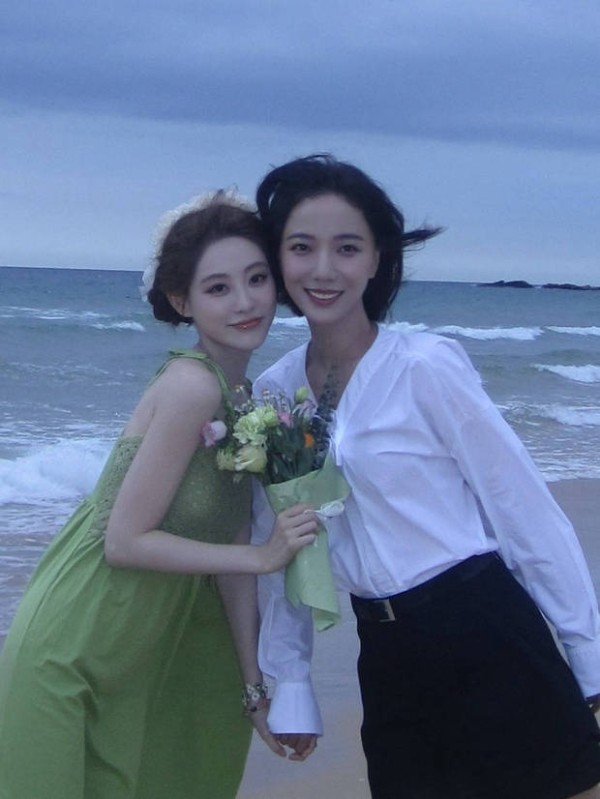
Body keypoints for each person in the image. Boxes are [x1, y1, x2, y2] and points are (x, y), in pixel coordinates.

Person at [250, 154, 600, 799]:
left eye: (347, 248)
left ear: (376, 259)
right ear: (278, 257)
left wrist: (588, 653)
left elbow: (521, 508)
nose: (323, 269)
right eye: (301, 247)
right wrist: (291, 682)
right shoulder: (274, 393)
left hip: (485, 630)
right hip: (384, 656)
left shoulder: (424, 366)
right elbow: (285, 547)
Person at [0, 191, 319, 799]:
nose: (246, 301)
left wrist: (254, 688)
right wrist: (261, 555)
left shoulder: (243, 397)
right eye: (218, 288)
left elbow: (230, 539)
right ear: (182, 301)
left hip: (154, 646)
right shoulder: (191, 387)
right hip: (80, 641)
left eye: (257, 279)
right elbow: (123, 541)